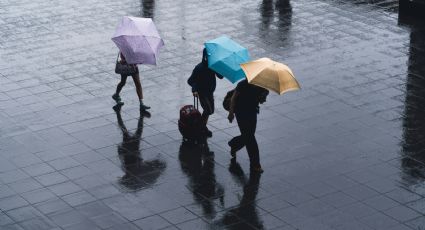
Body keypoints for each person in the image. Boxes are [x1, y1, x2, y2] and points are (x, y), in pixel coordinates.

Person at [227, 79, 269, 173]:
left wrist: (263, 96)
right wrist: (231, 113)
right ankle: (255, 164)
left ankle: (234, 144)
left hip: (252, 112)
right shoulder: (242, 84)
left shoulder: (261, 86)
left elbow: (261, 100)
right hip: (240, 112)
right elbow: (233, 98)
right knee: (250, 138)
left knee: (248, 136)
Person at [187, 48, 223, 137]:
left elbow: (220, 76)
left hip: (210, 92)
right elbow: (191, 80)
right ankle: (201, 128)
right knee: (208, 110)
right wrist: (194, 90)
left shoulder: (213, 66)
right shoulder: (199, 68)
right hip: (202, 93)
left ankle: (202, 127)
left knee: (210, 111)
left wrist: (219, 67)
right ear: (205, 56)